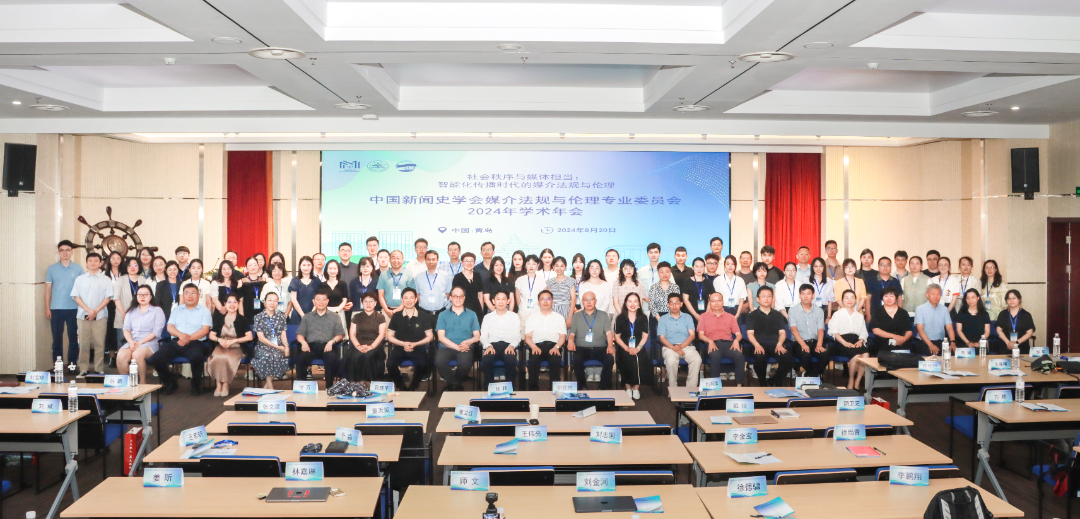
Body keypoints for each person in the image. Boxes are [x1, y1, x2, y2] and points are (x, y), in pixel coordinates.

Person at [149, 285, 211, 395]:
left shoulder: (205, 311)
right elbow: (170, 327)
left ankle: (196, 385)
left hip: (196, 342)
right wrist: (182, 336)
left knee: (197, 357)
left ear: (198, 295)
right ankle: (170, 382)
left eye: (193, 293)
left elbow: (205, 330)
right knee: (155, 359)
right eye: (187, 293)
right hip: (176, 341)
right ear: (183, 296)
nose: (190, 296)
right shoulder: (176, 310)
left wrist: (188, 338)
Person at [71, 252, 113, 375]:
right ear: (86, 263)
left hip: (100, 316)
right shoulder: (80, 279)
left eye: (96, 261)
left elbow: (108, 298)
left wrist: (95, 311)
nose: (93, 263)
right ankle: (83, 369)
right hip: (82, 316)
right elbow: (76, 297)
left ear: (100, 263)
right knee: (84, 344)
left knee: (100, 344)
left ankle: (99, 369)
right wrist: (88, 310)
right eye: (90, 261)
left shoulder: (106, 279)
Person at [295, 288, 346, 386]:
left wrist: (332, 342)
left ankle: (329, 387)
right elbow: (300, 334)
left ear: (327, 301)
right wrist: (303, 342)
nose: (321, 302)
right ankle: (302, 387)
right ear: (313, 301)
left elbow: (340, 334)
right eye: (318, 299)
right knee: (300, 359)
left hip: (327, 346)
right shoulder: (307, 317)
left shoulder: (335, 317)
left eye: (323, 299)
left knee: (332, 359)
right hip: (310, 347)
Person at [386, 288, 434, 390]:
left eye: (411, 298)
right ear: (402, 300)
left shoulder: (424, 316)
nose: (409, 300)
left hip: (418, 348)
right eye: (406, 298)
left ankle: (413, 386)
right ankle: (400, 385)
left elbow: (430, 336)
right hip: (400, 347)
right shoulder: (396, 316)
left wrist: (415, 344)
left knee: (423, 364)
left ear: (416, 299)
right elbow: (389, 336)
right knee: (390, 364)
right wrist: (403, 344)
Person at [436, 286, 481, 391]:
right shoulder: (442, 315)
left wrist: (469, 341)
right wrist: (457, 347)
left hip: (465, 347)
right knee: (439, 362)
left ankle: (452, 384)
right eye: (455, 296)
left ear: (464, 298)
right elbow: (441, 337)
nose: (458, 299)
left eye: (461, 296)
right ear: (450, 298)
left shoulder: (472, 314)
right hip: (446, 347)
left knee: (466, 364)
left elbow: (477, 336)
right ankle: (456, 384)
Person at [46, 240, 83, 368]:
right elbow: (48, 289)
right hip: (56, 308)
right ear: (58, 252)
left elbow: (82, 289)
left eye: (68, 250)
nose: (65, 253)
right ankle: (58, 365)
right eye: (62, 250)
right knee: (57, 339)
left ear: (72, 252)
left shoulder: (78, 268)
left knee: (73, 338)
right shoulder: (52, 269)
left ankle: (72, 364)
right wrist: (47, 308)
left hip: (74, 308)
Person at [207, 294, 252, 397]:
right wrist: (219, 340)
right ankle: (218, 385)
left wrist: (235, 341)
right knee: (217, 356)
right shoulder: (219, 318)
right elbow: (211, 335)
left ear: (239, 304)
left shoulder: (242, 319)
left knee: (226, 357)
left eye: (235, 302)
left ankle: (225, 385)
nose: (232, 305)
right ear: (225, 304)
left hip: (236, 347)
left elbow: (249, 337)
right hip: (221, 345)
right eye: (229, 302)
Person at [744, 286, 791, 386]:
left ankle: (775, 380)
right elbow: (750, 333)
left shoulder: (778, 315)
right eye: (763, 296)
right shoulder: (752, 315)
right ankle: (763, 382)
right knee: (759, 358)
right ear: (758, 299)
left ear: (772, 298)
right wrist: (756, 345)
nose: (766, 298)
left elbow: (782, 333)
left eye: (769, 296)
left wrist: (780, 344)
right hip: (758, 345)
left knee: (788, 359)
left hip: (776, 345)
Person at [568, 291, 614, 390]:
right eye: (586, 300)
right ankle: (582, 386)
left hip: (600, 348)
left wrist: (610, 345)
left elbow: (609, 333)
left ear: (595, 301)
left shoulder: (603, 315)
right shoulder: (576, 316)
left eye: (591, 299)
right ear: (582, 302)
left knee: (609, 359)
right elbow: (571, 334)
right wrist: (570, 341)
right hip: (582, 348)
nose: (588, 302)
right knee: (576, 360)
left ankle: (603, 387)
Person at [118, 285, 165, 381]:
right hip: (133, 342)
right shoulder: (131, 311)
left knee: (137, 355)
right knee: (121, 355)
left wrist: (141, 342)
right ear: (136, 296)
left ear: (151, 296)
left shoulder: (157, 310)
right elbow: (126, 329)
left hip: (150, 343)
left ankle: (142, 383)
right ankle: (127, 383)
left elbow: (156, 332)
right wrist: (131, 342)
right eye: (140, 294)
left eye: (145, 294)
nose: (142, 297)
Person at [697, 292, 745, 385]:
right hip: (712, 344)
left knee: (739, 356)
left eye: (718, 301)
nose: (716, 303)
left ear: (723, 302)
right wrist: (709, 341)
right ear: (710, 303)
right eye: (713, 301)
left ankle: (739, 385)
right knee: (715, 356)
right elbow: (700, 335)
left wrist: (736, 340)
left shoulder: (730, 317)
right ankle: (715, 386)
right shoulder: (703, 317)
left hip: (728, 344)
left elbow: (738, 334)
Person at [525, 290, 568, 391]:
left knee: (555, 361)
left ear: (552, 301)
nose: (545, 301)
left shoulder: (559, 317)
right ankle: (533, 390)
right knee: (533, 362)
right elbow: (528, 337)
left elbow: (562, 336)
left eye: (548, 299)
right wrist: (533, 347)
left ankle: (554, 390)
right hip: (536, 346)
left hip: (553, 346)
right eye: (542, 299)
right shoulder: (532, 318)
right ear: (538, 302)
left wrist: (557, 347)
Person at [658, 293, 701, 389]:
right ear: (668, 304)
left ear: (681, 304)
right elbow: (662, 338)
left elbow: (692, 335)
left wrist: (680, 347)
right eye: (671, 303)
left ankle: (691, 388)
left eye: (677, 303)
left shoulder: (687, 317)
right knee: (671, 361)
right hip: (669, 347)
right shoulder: (663, 319)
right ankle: (673, 388)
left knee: (697, 359)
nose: (674, 305)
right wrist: (674, 348)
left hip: (687, 346)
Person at [829, 290, 870, 389]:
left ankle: (857, 381)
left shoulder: (859, 316)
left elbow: (864, 332)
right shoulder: (837, 314)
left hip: (857, 341)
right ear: (842, 300)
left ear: (855, 300)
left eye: (852, 298)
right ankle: (851, 380)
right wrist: (845, 343)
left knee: (866, 355)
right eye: (846, 298)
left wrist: (860, 341)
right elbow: (834, 332)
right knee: (856, 356)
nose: (849, 300)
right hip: (841, 341)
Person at [480, 290, 521, 386]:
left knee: (511, 359)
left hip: (508, 345)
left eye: (503, 299)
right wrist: (488, 346)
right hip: (492, 346)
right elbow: (483, 336)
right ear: (493, 301)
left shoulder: (514, 317)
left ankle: (509, 387)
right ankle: (489, 387)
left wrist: (512, 345)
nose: (501, 302)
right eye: (498, 299)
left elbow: (517, 335)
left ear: (508, 301)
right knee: (486, 360)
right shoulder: (487, 317)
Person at [345, 293, 387, 385]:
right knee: (353, 357)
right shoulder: (356, 317)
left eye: (371, 301)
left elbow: (382, 334)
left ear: (375, 303)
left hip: (375, 346)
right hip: (359, 345)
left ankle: (364, 383)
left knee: (367, 356)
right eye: (365, 301)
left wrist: (371, 347)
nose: (368, 304)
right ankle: (353, 384)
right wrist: (358, 346)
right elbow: (352, 334)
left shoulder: (380, 317)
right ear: (362, 303)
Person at [786, 284, 827, 376]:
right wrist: (803, 344)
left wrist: (819, 345)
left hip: (815, 342)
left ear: (813, 295)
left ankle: (809, 375)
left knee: (825, 354)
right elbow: (793, 329)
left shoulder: (819, 311)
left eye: (808, 294)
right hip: (799, 342)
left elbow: (820, 330)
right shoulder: (793, 310)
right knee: (805, 354)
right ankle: (813, 375)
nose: (805, 296)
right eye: (803, 294)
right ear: (799, 295)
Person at [252, 291, 289, 388]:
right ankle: (270, 386)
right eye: (269, 300)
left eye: (275, 301)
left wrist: (286, 346)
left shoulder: (281, 316)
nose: (272, 303)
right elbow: (261, 338)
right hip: (263, 346)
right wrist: (278, 347)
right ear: (264, 302)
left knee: (277, 355)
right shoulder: (258, 317)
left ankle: (266, 387)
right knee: (268, 355)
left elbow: (283, 335)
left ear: (278, 303)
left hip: (279, 346)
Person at [114, 258, 149, 352]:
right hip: (122, 315)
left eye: (135, 265)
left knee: (137, 342)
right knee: (122, 342)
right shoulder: (120, 280)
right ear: (126, 267)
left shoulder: (143, 280)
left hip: (140, 316)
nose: (132, 267)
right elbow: (116, 299)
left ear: (139, 267)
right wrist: (124, 314)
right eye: (129, 265)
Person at [869, 286, 913, 355]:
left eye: (892, 296)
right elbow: (876, 330)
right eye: (886, 296)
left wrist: (903, 339)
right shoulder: (877, 312)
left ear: (896, 298)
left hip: (902, 344)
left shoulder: (903, 312)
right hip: (883, 344)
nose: (889, 298)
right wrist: (894, 336)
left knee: (906, 358)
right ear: (882, 298)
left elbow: (909, 331)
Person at [647, 262, 680, 351]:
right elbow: (652, 304)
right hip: (656, 317)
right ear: (658, 273)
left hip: (671, 317)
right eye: (662, 272)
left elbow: (677, 303)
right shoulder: (653, 287)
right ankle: (656, 359)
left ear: (670, 273)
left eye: (667, 271)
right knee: (656, 341)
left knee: (671, 339)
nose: (664, 274)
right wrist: (659, 319)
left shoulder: (675, 287)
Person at [914, 284, 955, 355]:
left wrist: (952, 342)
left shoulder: (944, 309)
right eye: (933, 294)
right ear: (927, 295)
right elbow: (920, 330)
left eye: (938, 294)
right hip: (924, 342)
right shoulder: (920, 309)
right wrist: (930, 345)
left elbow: (949, 328)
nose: (935, 296)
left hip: (941, 342)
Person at [377, 250, 415, 318]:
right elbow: (381, 295)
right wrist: (387, 310)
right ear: (389, 260)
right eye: (393, 258)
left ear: (403, 260)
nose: (396, 260)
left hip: (405, 311)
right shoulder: (383, 275)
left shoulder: (409, 275)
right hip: (386, 311)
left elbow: (411, 295)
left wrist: (398, 309)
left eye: (398, 258)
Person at [997, 290, 1036, 354]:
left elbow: (1029, 332)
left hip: (1022, 348)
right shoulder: (1002, 314)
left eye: (1014, 298)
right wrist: (1008, 343)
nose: (1011, 300)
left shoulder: (1026, 315)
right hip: (1005, 347)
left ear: (1019, 299)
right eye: (1009, 298)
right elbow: (999, 330)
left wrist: (1016, 343)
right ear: (1006, 301)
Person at [954, 289, 992, 353]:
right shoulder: (961, 313)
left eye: (973, 297)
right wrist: (968, 343)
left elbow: (987, 332)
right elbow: (959, 330)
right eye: (968, 298)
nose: (970, 300)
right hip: (965, 345)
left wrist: (979, 342)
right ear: (965, 300)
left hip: (980, 345)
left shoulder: (984, 314)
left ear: (978, 298)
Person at [515, 255, 546, 330]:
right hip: (523, 313)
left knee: (536, 335)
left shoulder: (543, 280)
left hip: (537, 313)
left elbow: (544, 298)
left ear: (537, 265)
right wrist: (522, 308)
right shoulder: (520, 280)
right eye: (528, 264)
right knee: (523, 334)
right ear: (525, 265)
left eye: (534, 264)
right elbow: (518, 298)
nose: (531, 266)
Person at [288, 256, 321, 326]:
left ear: (312, 266)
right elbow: (293, 299)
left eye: (308, 265)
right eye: (304, 265)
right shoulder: (295, 280)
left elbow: (318, 298)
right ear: (300, 266)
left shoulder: (316, 281)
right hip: (297, 315)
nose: (306, 267)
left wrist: (311, 314)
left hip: (314, 315)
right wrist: (302, 315)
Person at [416, 250, 452, 314]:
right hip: (423, 312)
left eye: (433, 259)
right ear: (425, 260)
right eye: (428, 259)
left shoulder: (445, 275)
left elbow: (448, 294)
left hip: (441, 312)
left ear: (437, 261)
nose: (431, 262)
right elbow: (418, 294)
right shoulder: (419, 276)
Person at [452, 252, 486, 322]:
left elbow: (480, 295)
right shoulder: (457, 277)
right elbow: (455, 296)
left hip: (477, 309)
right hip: (463, 310)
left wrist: (481, 310)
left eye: (471, 261)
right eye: (466, 261)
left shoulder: (477, 276)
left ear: (474, 263)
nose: (469, 263)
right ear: (462, 263)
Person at [545, 256, 577, 328]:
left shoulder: (570, 281)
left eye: (562, 266)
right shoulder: (550, 282)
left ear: (565, 267)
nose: (559, 269)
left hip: (566, 312)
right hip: (552, 312)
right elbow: (548, 298)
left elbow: (573, 300)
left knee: (565, 333)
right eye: (556, 266)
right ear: (553, 267)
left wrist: (569, 317)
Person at [153, 261, 183, 326]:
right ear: (166, 271)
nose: (172, 272)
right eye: (170, 270)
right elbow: (157, 302)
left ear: (178, 270)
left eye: (174, 269)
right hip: (165, 317)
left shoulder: (182, 284)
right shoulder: (160, 285)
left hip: (180, 317)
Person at [323, 260, 350, 330]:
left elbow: (344, 300)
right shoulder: (322, 285)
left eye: (335, 268)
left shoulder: (343, 284)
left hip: (339, 312)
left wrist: (336, 311)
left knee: (340, 333)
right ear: (326, 270)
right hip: (325, 313)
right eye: (330, 268)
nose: (332, 271)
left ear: (338, 270)